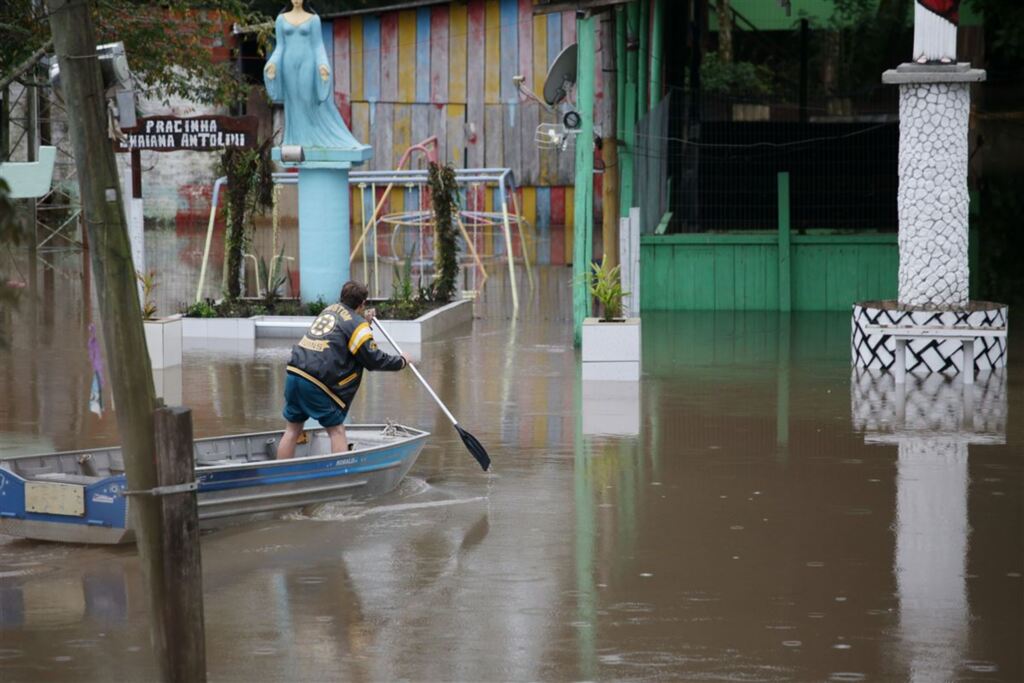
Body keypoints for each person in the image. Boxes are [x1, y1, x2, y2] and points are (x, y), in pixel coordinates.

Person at [277, 281, 410, 459]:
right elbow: (373, 359)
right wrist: (401, 362)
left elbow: (342, 333)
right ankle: (342, 473)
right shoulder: (357, 325)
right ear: (362, 303)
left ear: (342, 297)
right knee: (337, 431)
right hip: (316, 383)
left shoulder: (329, 309)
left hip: (294, 374)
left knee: (292, 430)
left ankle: (282, 475)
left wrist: (364, 323)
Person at [263, 0, 369, 150]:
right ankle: (295, 139)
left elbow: (318, 46)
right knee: (293, 101)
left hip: (308, 62)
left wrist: (323, 65)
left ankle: (314, 137)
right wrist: (272, 63)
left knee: (308, 99)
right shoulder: (281, 19)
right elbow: (280, 46)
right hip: (288, 64)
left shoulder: (313, 19)